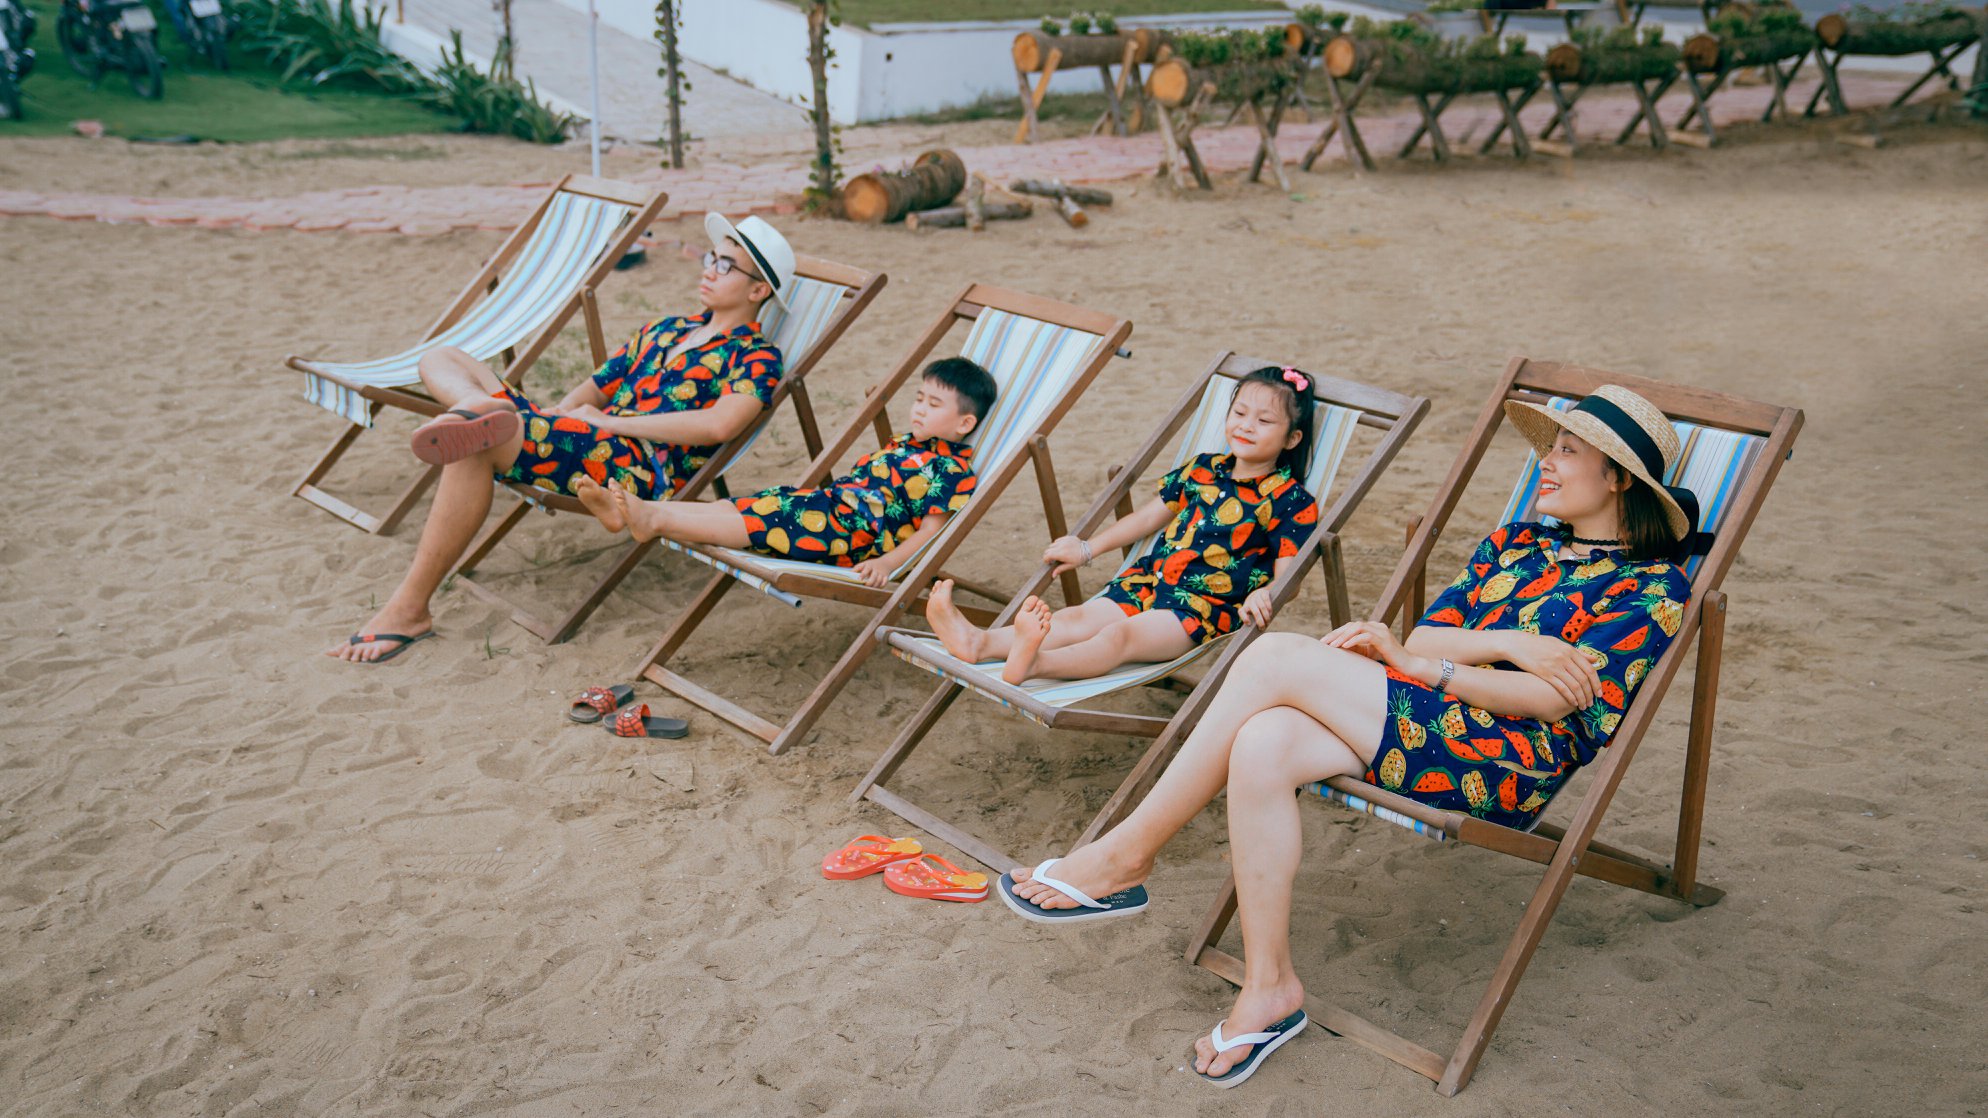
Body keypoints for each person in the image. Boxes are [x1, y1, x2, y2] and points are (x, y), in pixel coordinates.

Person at [995, 385, 1699, 1089]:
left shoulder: (1652, 588)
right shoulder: (1516, 542)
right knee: (1264, 740)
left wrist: (1433, 667)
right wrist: (1514, 642)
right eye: (1550, 448)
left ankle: (1125, 856)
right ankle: (1269, 987)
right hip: (1421, 718)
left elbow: (1551, 699)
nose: (1545, 461)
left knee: (1275, 655)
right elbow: (1428, 632)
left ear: (1617, 478)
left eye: (1566, 452)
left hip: (1503, 763)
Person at [325, 214, 794, 663]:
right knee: (441, 357)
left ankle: (409, 608)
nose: (709, 270)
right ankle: (477, 408)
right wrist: (551, 419)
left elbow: (719, 426)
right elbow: (594, 388)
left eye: (726, 265)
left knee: (474, 443)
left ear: (758, 290)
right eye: (711, 258)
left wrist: (609, 424)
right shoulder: (666, 329)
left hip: (635, 467)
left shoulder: (756, 357)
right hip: (583, 438)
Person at [925, 366, 1322, 686]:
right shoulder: (1203, 469)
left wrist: (1268, 593)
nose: (1246, 426)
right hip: (1148, 580)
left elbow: (1290, 578)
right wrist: (1087, 548)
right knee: (1076, 618)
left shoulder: (1290, 501)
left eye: (1264, 420)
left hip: (1198, 609)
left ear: (1292, 439)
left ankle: (1034, 664)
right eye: (1239, 413)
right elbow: (1148, 517)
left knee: (1117, 637)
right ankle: (978, 642)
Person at [574, 358, 996, 589]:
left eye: (933, 405)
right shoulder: (908, 444)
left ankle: (653, 519)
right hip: (827, 507)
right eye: (919, 398)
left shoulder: (950, 470)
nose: (919, 409)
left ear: (965, 423)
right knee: (748, 505)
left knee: (763, 519)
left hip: (852, 535)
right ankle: (632, 511)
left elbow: (933, 531)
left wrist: (887, 563)